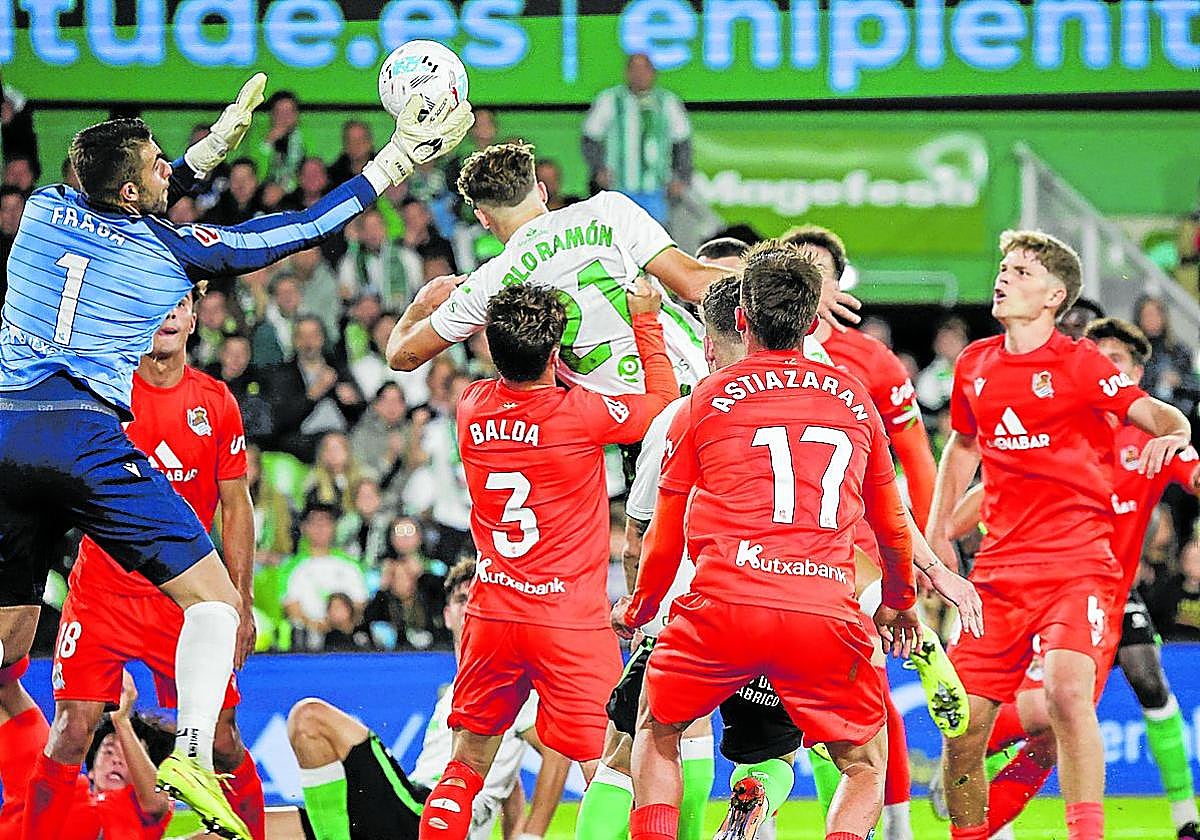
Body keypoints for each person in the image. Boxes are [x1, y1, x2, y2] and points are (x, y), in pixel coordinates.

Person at [0, 74, 472, 838]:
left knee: (10, 650)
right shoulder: (163, 254)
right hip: (79, 439)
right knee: (217, 604)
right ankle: (187, 754)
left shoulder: (43, 209)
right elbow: (290, 230)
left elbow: (119, 202)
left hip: (4, 431)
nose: (169, 168)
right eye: (157, 163)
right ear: (131, 191)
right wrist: (392, 162)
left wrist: (206, 155)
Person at [614, 241, 982, 840]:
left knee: (658, 729)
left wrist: (639, 609)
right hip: (823, 611)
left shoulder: (704, 401)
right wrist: (900, 602)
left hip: (723, 609)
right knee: (864, 766)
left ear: (740, 318)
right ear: (813, 325)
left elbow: (663, 534)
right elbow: (890, 525)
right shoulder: (855, 400)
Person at [924, 230, 1193, 840]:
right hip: (998, 576)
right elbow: (964, 447)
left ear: (1053, 296)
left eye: (1021, 272)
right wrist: (938, 532)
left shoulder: (1081, 364)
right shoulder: (975, 364)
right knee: (963, 729)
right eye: (1004, 268)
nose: (1003, 278)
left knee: (1070, 694)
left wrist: (1176, 433)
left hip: (1078, 567)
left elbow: (1154, 413)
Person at [414, 278, 678, 840]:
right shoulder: (580, 414)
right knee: (614, 771)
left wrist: (425, 308)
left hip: (493, 613)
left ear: (491, 349)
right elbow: (662, 404)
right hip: (568, 620)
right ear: (556, 352)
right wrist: (646, 319)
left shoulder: (471, 405)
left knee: (464, 768)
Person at [386, 141, 857, 409]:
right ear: (542, 190)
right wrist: (792, 286)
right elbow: (695, 282)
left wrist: (420, 306)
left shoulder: (489, 284)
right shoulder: (607, 210)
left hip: (636, 423)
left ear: (483, 218)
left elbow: (402, 356)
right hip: (704, 384)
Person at [36, 289, 265, 838]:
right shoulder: (104, 394)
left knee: (222, 739)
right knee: (70, 731)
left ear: (193, 319)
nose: (167, 315)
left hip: (184, 600)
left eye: (178, 305)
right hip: (102, 592)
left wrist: (241, 602)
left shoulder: (216, 402)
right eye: (157, 304)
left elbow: (236, 506)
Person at [277, 558, 570, 840]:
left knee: (309, 718)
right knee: (259, 825)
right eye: (462, 599)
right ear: (447, 616)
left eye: (479, 599)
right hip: (409, 813)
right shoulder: (459, 690)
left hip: (426, 812)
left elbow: (557, 752)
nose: (471, 607)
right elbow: (506, 777)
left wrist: (531, 835)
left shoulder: (508, 680)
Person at [0, 670, 175, 840]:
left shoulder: (141, 814)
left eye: (127, 757)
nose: (117, 760)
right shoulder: (55, 785)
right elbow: (9, 692)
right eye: (109, 751)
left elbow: (155, 802)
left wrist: (121, 721)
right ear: (91, 770)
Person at [581, 53, 691, 225]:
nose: (640, 74)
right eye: (635, 69)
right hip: (620, 187)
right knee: (620, 232)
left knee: (655, 234)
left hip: (657, 189)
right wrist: (598, 169)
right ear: (627, 72)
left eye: (644, 69)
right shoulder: (610, 99)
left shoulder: (668, 101)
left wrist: (681, 178)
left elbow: (682, 142)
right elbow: (590, 136)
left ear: (653, 72)